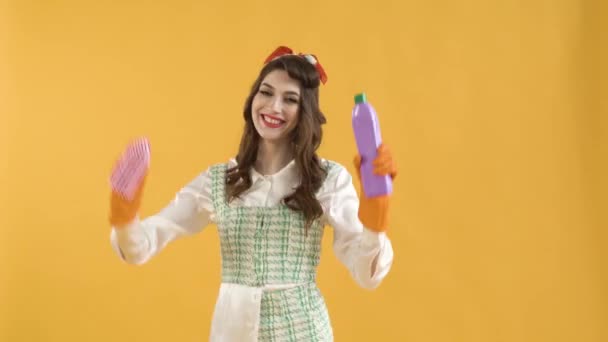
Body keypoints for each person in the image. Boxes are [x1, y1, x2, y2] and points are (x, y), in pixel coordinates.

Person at [108, 46, 397, 342]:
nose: (273, 107)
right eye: (266, 92)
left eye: (290, 99)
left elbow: (366, 274)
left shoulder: (327, 180)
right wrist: (124, 212)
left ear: (305, 112)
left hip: (302, 331)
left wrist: (376, 212)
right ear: (252, 99)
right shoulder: (219, 182)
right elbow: (140, 247)